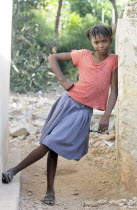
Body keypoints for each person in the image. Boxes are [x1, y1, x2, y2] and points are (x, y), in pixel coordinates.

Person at [2, 25, 118, 206]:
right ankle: (49, 189)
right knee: (51, 144)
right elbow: (53, 57)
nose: (101, 45)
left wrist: (106, 116)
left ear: (110, 40)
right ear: (91, 42)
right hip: (67, 103)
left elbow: (114, 91)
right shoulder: (83, 55)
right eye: (97, 42)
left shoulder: (113, 61)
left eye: (105, 41)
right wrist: (63, 80)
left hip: (82, 111)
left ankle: (13, 171)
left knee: (51, 142)